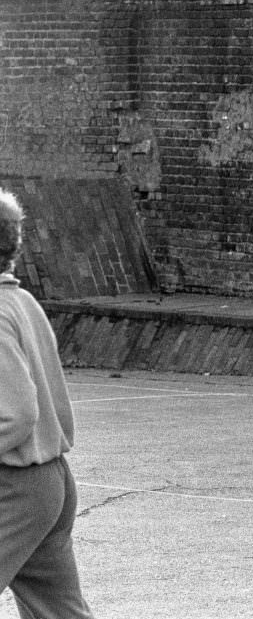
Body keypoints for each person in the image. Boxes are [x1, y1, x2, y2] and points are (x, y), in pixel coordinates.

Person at [0, 189, 96, 618]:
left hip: (15, 486)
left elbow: (16, 413)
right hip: (51, 481)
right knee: (59, 612)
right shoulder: (23, 303)